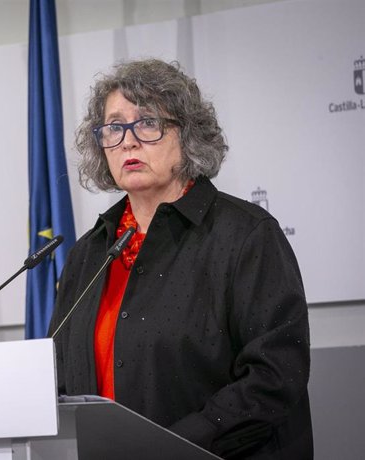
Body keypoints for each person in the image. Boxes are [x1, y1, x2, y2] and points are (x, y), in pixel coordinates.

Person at [48, 59, 312, 459]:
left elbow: (274, 375)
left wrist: (172, 445)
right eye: (114, 127)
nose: (129, 142)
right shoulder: (88, 253)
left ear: (188, 135)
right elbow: (59, 377)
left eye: (148, 123)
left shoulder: (246, 235)